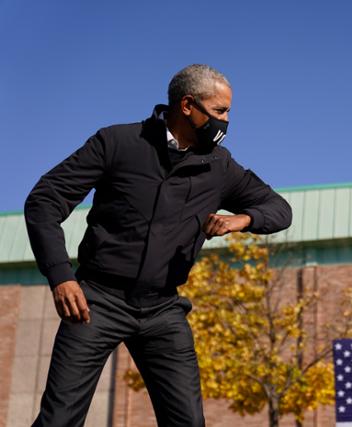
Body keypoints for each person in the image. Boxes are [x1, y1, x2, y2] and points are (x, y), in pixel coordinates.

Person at [24, 64, 292, 426]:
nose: (227, 121)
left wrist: (241, 219)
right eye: (220, 111)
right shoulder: (117, 143)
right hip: (96, 301)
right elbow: (45, 200)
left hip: (163, 309)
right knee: (59, 420)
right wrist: (60, 276)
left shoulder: (219, 166)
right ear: (187, 106)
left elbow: (279, 209)